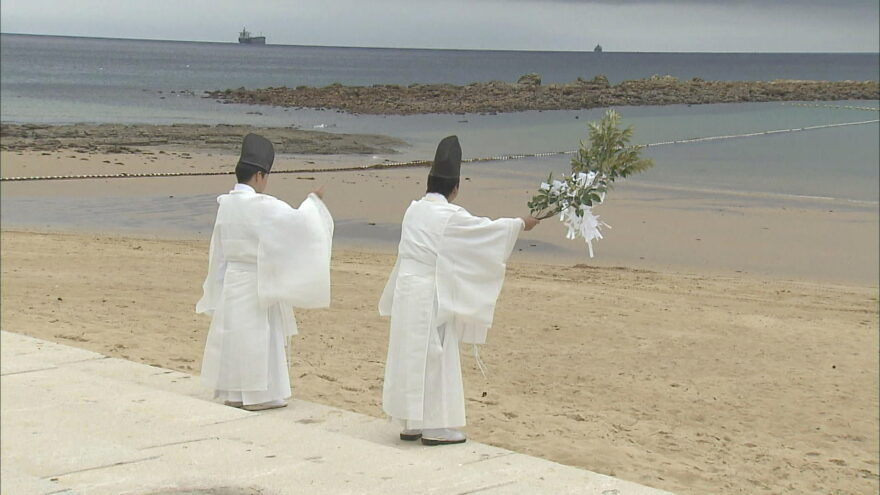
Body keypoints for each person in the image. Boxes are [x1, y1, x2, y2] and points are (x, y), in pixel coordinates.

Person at [379, 135, 540, 445]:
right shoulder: (448, 215)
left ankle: (412, 421)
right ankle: (436, 427)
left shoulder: (414, 209)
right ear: (454, 189)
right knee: (434, 355)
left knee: (410, 354)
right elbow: (485, 232)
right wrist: (520, 223)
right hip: (428, 292)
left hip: (407, 288)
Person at [197, 133, 333, 411]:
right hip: (255, 281)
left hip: (234, 279)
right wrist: (314, 202)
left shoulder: (227, 204)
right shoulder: (260, 204)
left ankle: (235, 391)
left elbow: (218, 250)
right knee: (258, 336)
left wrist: (218, 284)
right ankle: (259, 395)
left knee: (234, 334)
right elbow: (298, 224)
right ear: (259, 175)